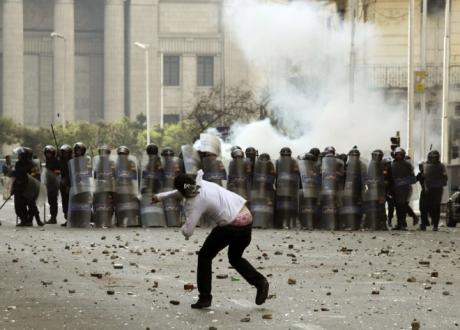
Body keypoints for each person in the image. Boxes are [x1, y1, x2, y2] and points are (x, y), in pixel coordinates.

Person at [153, 170, 269, 309]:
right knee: (235, 258)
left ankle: (205, 298)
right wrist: (160, 196)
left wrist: (183, 226)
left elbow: (188, 232)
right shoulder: (202, 184)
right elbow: (181, 191)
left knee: (204, 256)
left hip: (231, 225)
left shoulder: (195, 203)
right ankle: (260, 282)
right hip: (247, 218)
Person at [11, 147, 43, 227]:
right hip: (19, 187)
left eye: (20, 155)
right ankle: (23, 219)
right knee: (19, 205)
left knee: (32, 205)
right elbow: (16, 175)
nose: (19, 156)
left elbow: (36, 177)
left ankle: (34, 220)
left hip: (29, 188)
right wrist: (13, 187)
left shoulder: (32, 165)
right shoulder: (18, 163)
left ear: (25, 155)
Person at [417, 150, 447, 231]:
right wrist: (422, 175)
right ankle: (423, 224)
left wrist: (441, 182)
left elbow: (445, 178)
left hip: (436, 190)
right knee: (423, 207)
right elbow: (421, 177)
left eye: (435, 158)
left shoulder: (441, 166)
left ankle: (435, 225)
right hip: (426, 189)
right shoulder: (425, 165)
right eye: (432, 158)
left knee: (435, 207)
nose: (434, 159)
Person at [390, 148, 415, 230]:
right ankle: (399, 224)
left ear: (403, 155)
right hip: (395, 189)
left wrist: (402, 181)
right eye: (397, 154)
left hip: (404, 189)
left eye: (400, 154)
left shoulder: (407, 165)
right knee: (397, 207)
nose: (399, 156)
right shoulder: (392, 165)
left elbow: (412, 178)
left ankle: (403, 224)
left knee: (403, 207)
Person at [43, 145, 61, 224]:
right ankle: (52, 217)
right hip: (49, 184)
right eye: (47, 153)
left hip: (54, 184)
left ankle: (53, 218)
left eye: (50, 153)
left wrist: (52, 174)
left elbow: (58, 172)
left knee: (53, 201)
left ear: (53, 153)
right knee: (50, 201)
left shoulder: (55, 160)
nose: (48, 154)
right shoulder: (48, 161)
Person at [59, 144, 72, 226]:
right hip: (63, 183)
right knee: (64, 201)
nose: (65, 154)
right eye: (63, 153)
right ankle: (67, 218)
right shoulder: (61, 161)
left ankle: (71, 219)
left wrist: (68, 184)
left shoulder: (72, 161)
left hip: (70, 183)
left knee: (70, 201)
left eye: (66, 153)